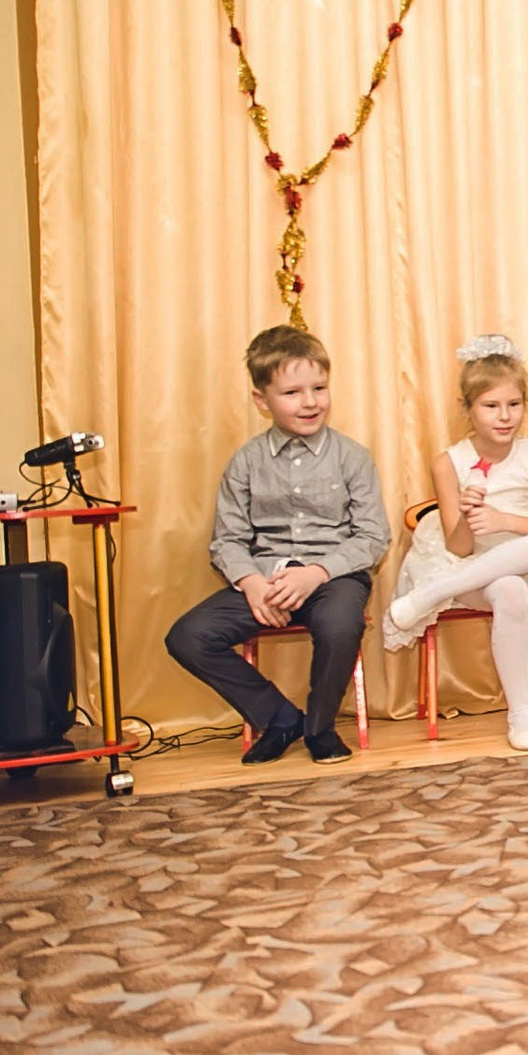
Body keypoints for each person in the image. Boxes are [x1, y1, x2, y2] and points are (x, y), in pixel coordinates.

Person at [165, 325, 389, 765]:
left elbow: (372, 537)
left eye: (319, 388)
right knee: (188, 636)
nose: (310, 402)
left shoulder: (353, 457)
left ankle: (320, 729)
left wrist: (316, 573)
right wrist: (250, 583)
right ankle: (279, 716)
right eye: (292, 392)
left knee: (341, 625)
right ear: (261, 399)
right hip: (265, 580)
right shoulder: (246, 462)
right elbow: (227, 540)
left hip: (333, 576)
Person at [381, 335, 528, 750]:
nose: (505, 417)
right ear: (467, 408)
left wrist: (505, 520)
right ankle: (522, 716)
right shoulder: (448, 463)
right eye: (490, 406)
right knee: (508, 587)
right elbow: (460, 548)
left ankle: (430, 594)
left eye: (513, 405)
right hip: (474, 575)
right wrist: (468, 516)